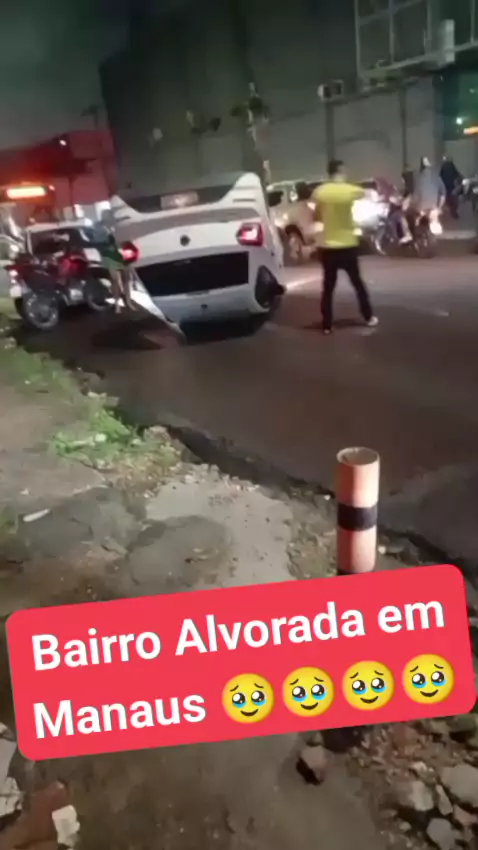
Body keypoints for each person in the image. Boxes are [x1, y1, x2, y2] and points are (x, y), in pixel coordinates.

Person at [312, 159, 378, 335]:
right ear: (341, 171)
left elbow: (316, 216)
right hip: (348, 244)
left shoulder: (320, 192)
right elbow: (365, 193)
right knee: (357, 283)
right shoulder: (350, 190)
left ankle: (327, 324)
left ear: (329, 173)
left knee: (328, 288)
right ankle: (368, 317)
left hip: (328, 246)